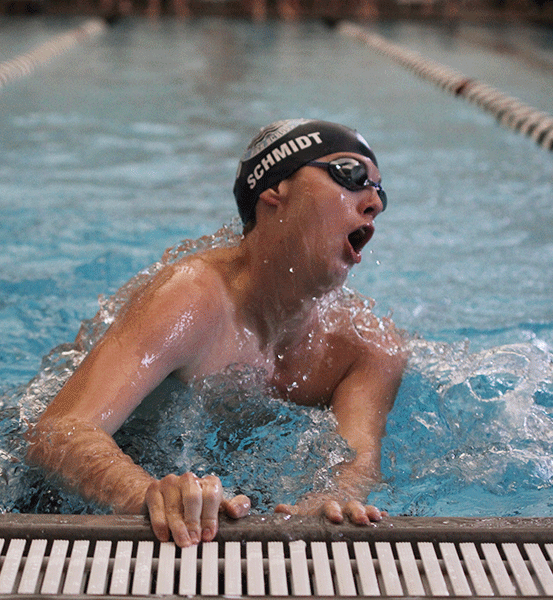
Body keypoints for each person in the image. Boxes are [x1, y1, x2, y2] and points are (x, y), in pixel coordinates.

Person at [27, 118, 409, 547]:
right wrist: (143, 493)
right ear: (274, 191)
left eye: (380, 191)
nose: (373, 201)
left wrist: (333, 499)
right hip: (119, 466)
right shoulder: (191, 299)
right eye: (351, 175)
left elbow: (358, 462)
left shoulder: (369, 349)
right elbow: (59, 430)